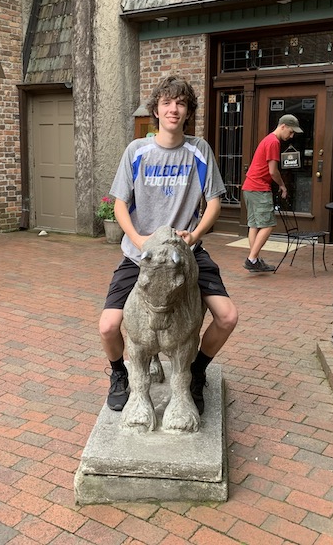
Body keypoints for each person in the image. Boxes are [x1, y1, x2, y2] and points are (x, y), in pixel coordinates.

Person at [99, 75, 239, 414]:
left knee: (227, 317)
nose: (173, 109)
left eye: (180, 103)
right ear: (156, 110)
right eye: (167, 103)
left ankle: (195, 372)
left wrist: (194, 235)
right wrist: (138, 240)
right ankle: (120, 374)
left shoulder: (199, 150)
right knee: (108, 326)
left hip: (187, 255)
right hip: (140, 256)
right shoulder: (137, 151)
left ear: (188, 111)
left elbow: (214, 202)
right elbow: (120, 204)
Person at [241, 114, 302, 272]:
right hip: (259, 188)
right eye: (291, 132)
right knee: (268, 225)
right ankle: (252, 259)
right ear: (283, 126)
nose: (291, 136)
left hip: (249, 187)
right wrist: (282, 186)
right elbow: (273, 171)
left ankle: (255, 260)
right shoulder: (274, 142)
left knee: (254, 225)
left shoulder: (268, 139)